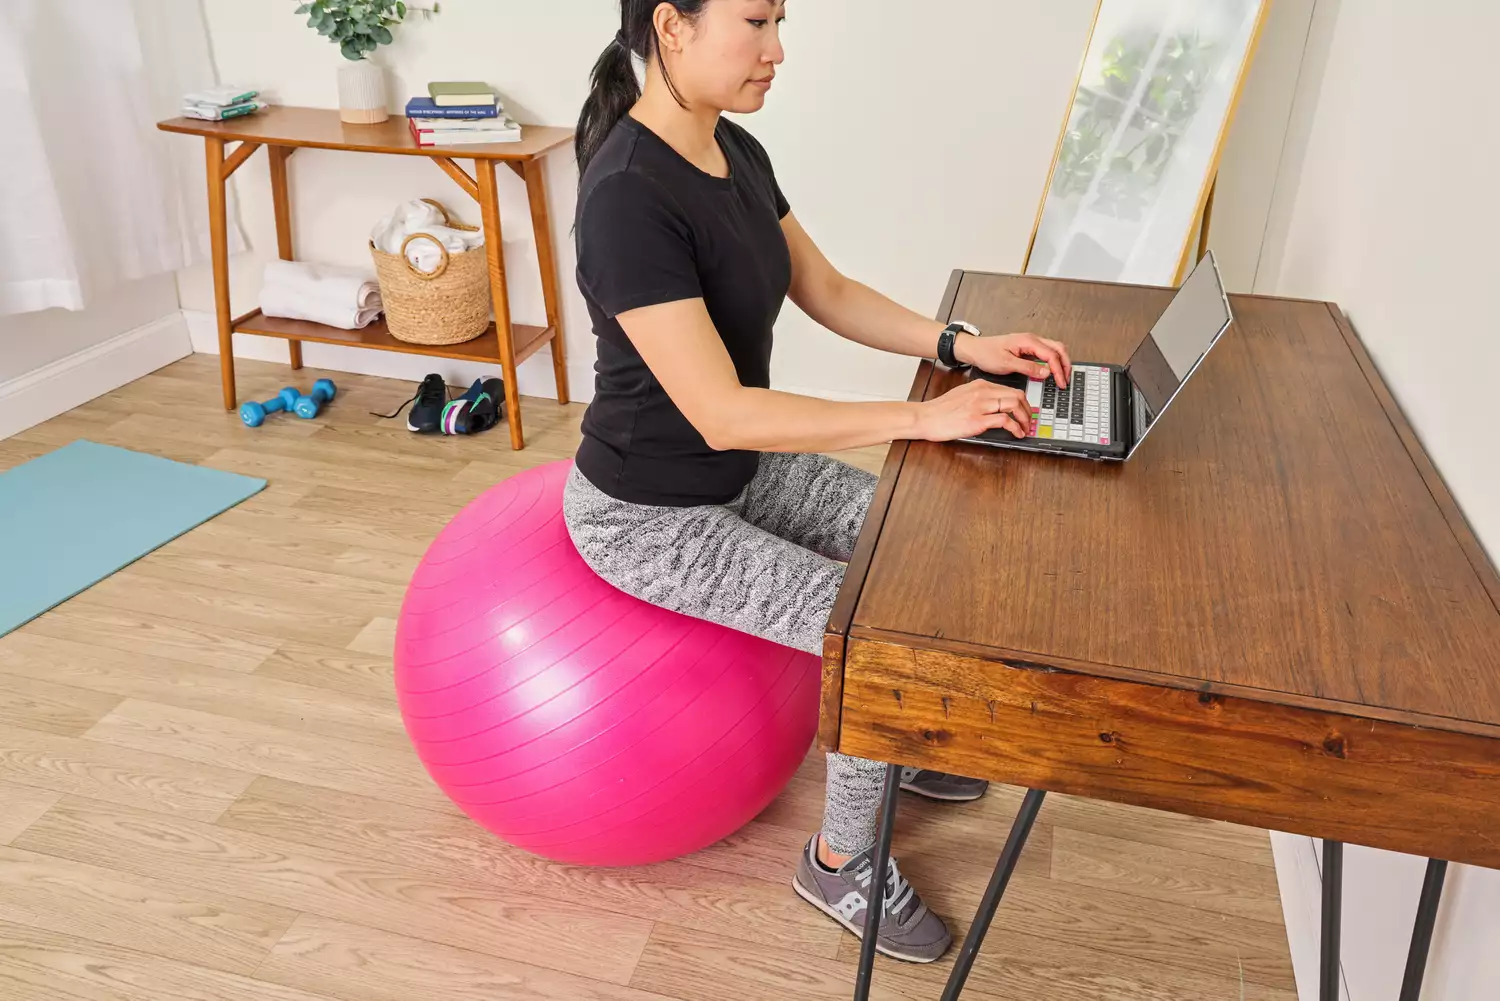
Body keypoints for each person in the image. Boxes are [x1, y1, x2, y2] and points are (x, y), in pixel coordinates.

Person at [564, 0, 1073, 963]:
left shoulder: (735, 153)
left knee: (915, 545)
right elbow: (718, 408)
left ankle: (892, 753)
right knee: (866, 628)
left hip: (741, 471)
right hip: (650, 513)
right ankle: (839, 861)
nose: (777, 48)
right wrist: (923, 415)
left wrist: (961, 345)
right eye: (754, 22)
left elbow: (826, 290)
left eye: (779, 21)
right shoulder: (627, 194)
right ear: (671, 26)